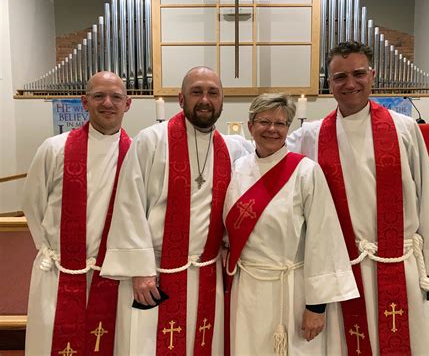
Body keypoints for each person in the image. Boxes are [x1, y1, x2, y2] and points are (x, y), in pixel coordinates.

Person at [287, 41, 429, 355]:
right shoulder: (310, 136)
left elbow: (427, 196)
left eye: (358, 74)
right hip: (342, 266)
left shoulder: (403, 128)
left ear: (373, 75)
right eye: (340, 77)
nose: (350, 83)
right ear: (329, 82)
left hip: (396, 261)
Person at [100, 66, 253, 355]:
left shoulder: (232, 149)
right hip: (155, 274)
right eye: (196, 92)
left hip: (207, 274)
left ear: (222, 101)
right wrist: (140, 270)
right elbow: (128, 205)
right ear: (181, 99)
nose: (205, 99)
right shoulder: (151, 140)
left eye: (212, 93)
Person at [223, 93, 359, 355]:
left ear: (289, 128)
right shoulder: (238, 168)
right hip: (248, 288)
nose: (272, 129)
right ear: (250, 126)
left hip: (292, 290)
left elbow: (324, 239)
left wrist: (316, 307)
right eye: (264, 121)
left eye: (281, 123)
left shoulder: (306, 172)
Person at [22, 71, 132, 355]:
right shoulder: (54, 149)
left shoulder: (137, 154)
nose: (107, 103)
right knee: (52, 340)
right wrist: (52, 252)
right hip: (60, 272)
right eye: (98, 96)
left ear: (127, 103)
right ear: (85, 102)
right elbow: (33, 205)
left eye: (116, 97)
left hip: (113, 274)